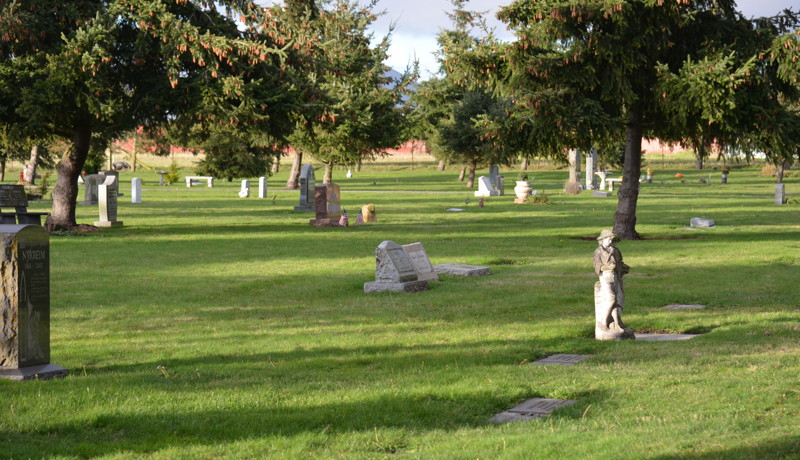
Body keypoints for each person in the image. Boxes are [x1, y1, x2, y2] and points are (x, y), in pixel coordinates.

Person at [593, 229, 631, 336]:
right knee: (610, 298)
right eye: (608, 238)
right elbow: (598, 267)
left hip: (617, 278)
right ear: (602, 240)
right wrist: (607, 267)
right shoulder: (598, 252)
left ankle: (616, 322)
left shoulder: (616, 251)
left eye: (611, 238)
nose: (610, 240)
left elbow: (620, 263)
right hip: (606, 278)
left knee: (618, 300)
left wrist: (623, 267)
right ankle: (604, 321)